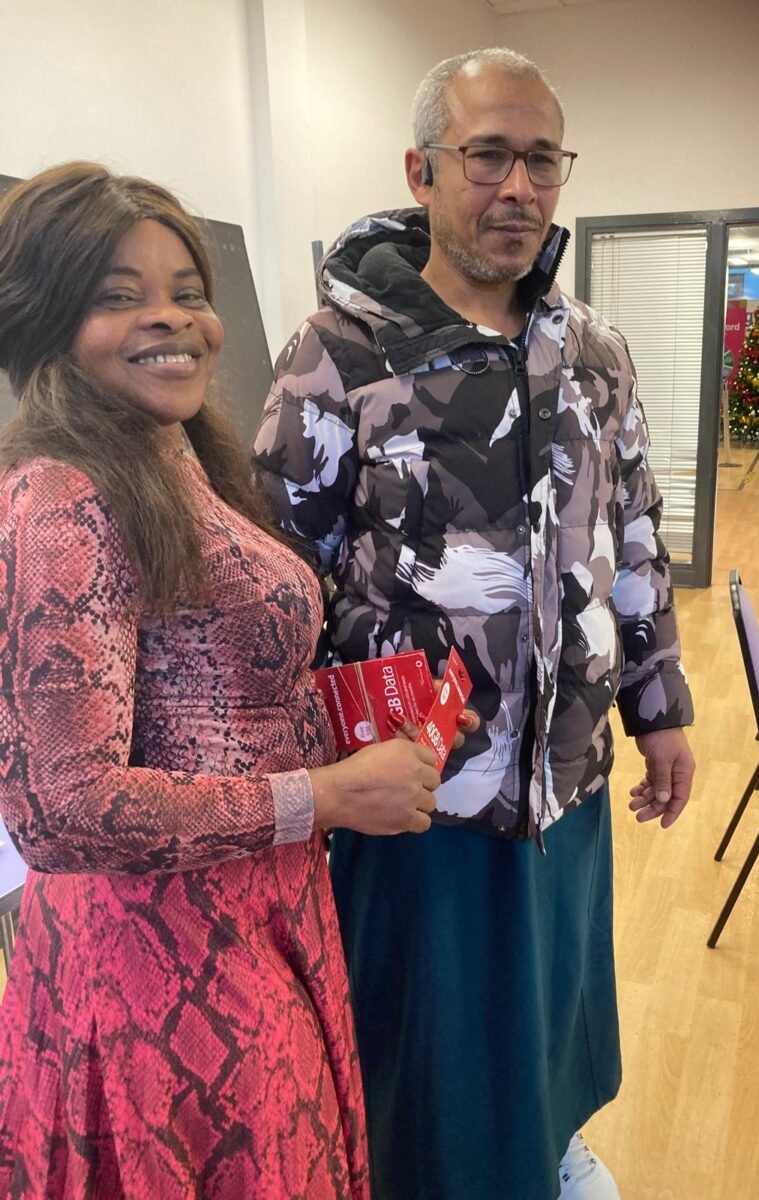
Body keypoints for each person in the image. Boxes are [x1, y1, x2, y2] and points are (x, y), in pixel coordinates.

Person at [254, 48, 695, 1200]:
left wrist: (659, 710)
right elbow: (274, 578)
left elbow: (633, 536)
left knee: (551, 1005)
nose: (518, 187)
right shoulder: (339, 353)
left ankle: (545, 1148)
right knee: (426, 1045)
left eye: (542, 160)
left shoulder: (594, 351)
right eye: (487, 155)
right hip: (417, 784)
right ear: (423, 171)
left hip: (563, 770)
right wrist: (308, 767)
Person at [0, 162, 474, 1200]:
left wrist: (362, 720)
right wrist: (328, 795)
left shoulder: (169, 451)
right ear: (45, 318)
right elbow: (62, 811)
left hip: (251, 915)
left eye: (186, 291)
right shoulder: (64, 502)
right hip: (162, 974)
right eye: (118, 295)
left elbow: (215, 688)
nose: (171, 319)